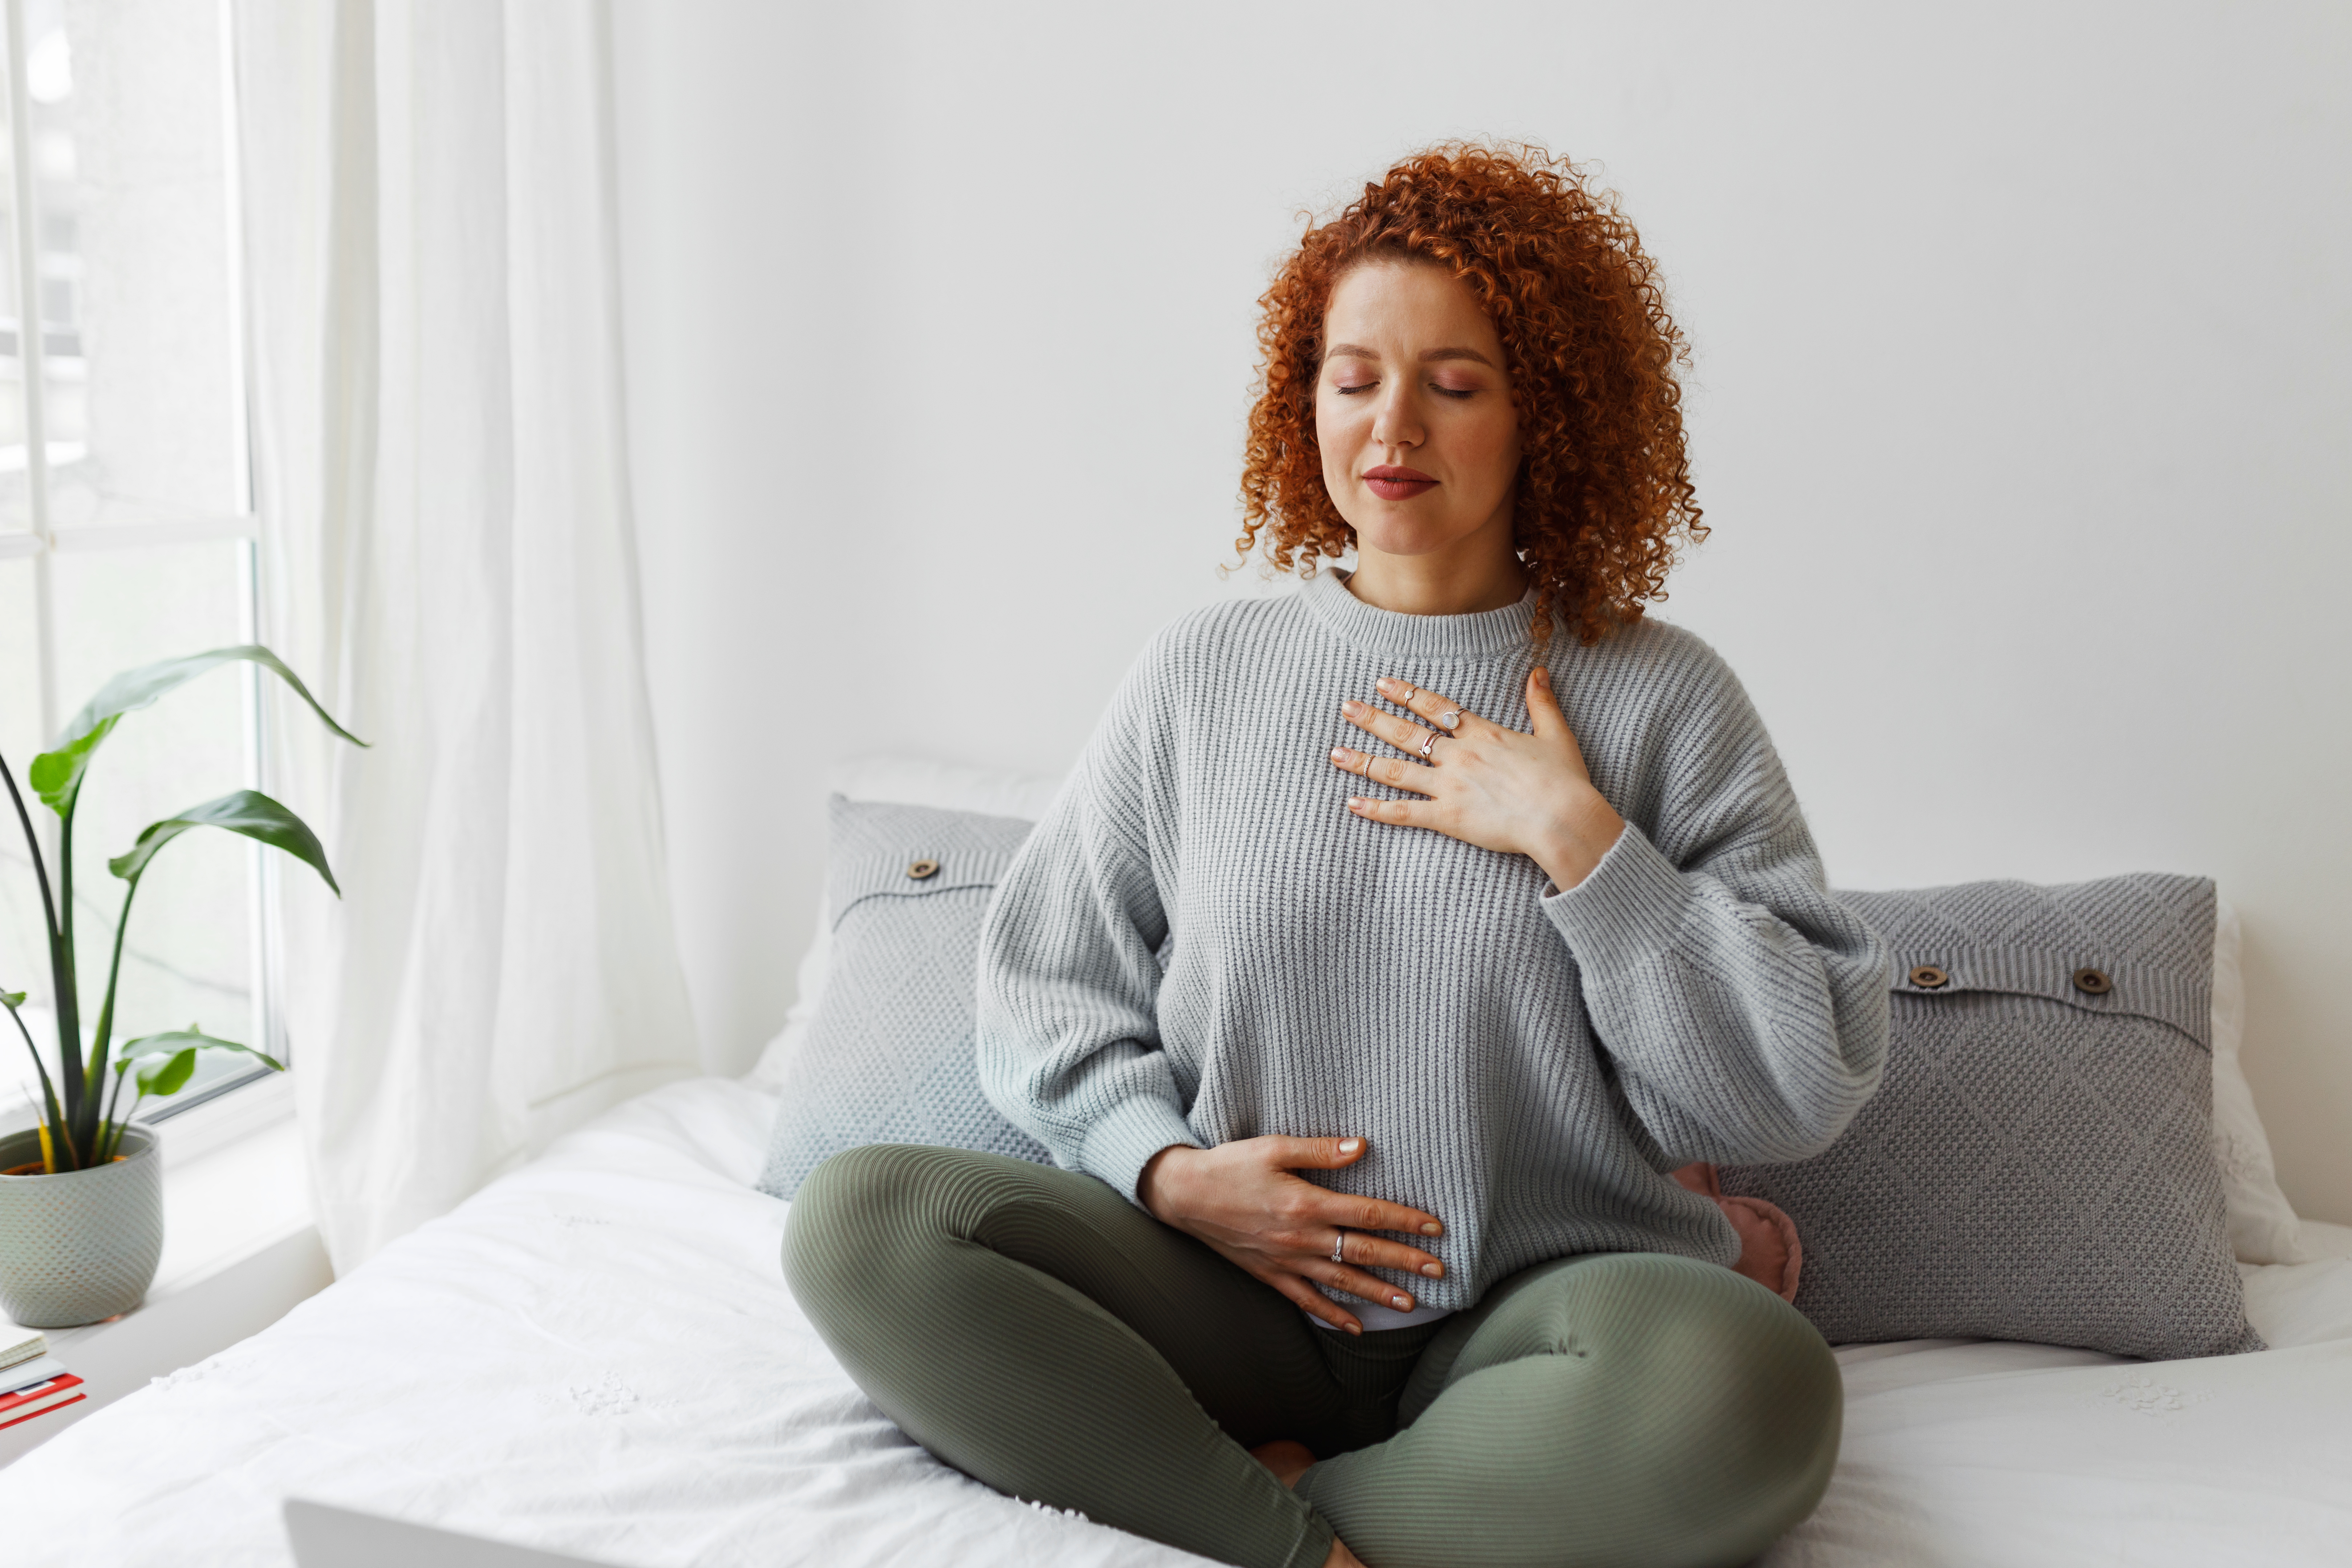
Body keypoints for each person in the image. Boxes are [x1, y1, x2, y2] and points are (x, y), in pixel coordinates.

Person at [784, 143, 1890, 1568]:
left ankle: (1257, 1507)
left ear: (1542, 409)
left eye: (1454, 382)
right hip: (1220, 1293)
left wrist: (1577, 840)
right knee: (864, 1221)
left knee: (1758, 1389)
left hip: (1531, 1319)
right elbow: (1044, 981)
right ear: (1300, 395)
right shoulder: (1202, 674)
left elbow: (1797, 1081)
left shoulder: (1659, 698)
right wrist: (1169, 1177)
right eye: (1352, 375)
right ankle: (1308, 1544)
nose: (1391, 427)